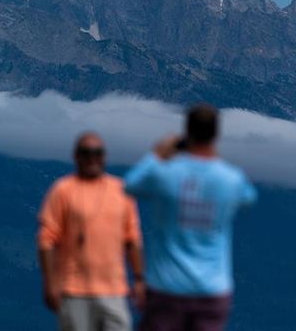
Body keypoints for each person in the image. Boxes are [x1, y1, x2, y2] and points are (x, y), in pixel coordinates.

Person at [124, 103, 257, 331]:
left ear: (187, 132)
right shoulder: (230, 178)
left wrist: (157, 154)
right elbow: (248, 196)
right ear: (215, 134)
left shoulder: (164, 173)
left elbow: (131, 184)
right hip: (212, 290)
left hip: (166, 288)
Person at [37, 132, 145, 331]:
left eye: (97, 153)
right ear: (77, 156)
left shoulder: (121, 191)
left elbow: (133, 239)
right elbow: (47, 239)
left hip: (114, 289)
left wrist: (139, 279)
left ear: (104, 156)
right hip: (74, 289)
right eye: (86, 153)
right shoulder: (63, 190)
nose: (92, 158)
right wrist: (50, 281)